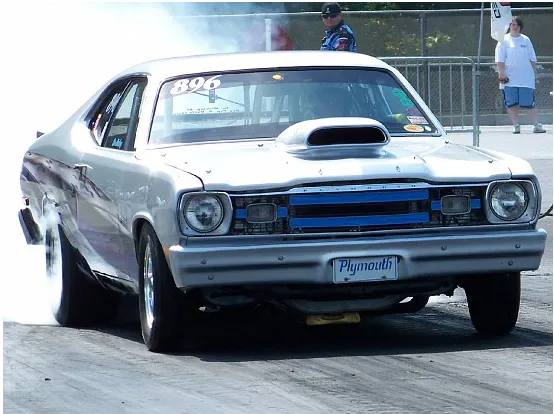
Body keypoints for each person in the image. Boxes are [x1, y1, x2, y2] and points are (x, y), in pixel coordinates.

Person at [495, 16, 546, 134]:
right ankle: (516, 126)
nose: (515, 26)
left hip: (526, 78)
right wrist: (501, 74)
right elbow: (500, 59)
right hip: (509, 79)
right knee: (511, 103)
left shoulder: (526, 40)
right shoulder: (503, 40)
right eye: (513, 24)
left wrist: (535, 74)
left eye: (517, 25)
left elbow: (532, 59)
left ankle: (536, 125)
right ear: (509, 26)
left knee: (529, 103)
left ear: (520, 27)